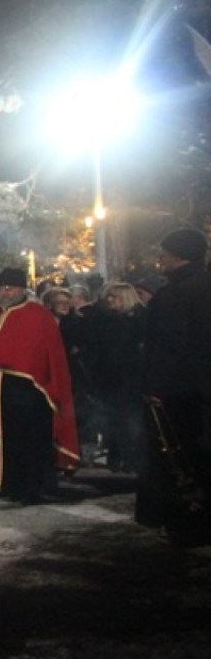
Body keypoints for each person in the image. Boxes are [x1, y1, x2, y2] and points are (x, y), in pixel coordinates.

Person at [0, 268, 80, 504]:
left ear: (22, 288)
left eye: (9, 287)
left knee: (30, 443)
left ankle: (33, 487)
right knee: (8, 443)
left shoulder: (38, 316)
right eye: (1, 288)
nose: (5, 292)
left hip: (30, 393)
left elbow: (45, 355)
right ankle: (5, 484)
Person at [137, 228, 211, 545]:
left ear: (176, 255)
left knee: (177, 460)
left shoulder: (173, 295)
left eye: (164, 253)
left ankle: (186, 524)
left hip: (178, 393)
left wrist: (154, 386)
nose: (159, 259)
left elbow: (167, 345)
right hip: (203, 390)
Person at [92, 283, 147, 472]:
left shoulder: (139, 320)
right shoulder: (109, 321)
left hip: (131, 380)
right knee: (114, 422)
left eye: (113, 297)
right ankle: (117, 458)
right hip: (113, 380)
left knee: (131, 423)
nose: (109, 301)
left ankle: (131, 460)